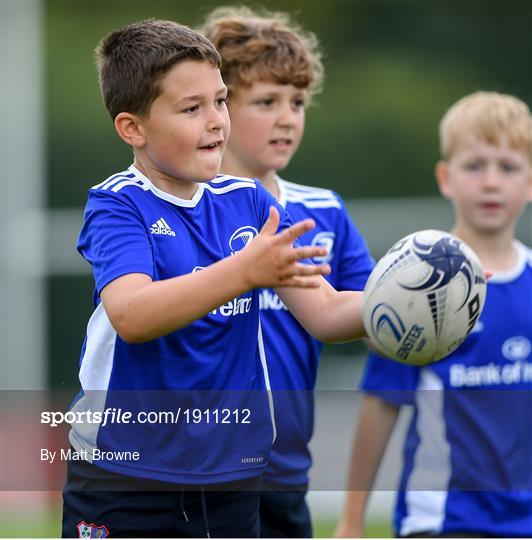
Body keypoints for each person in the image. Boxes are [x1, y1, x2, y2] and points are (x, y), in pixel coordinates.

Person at [61, 19, 368, 539]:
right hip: (125, 475)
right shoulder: (117, 205)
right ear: (132, 127)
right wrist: (242, 272)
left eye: (221, 101)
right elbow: (133, 315)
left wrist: (404, 306)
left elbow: (327, 313)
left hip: (234, 476)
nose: (216, 122)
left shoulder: (249, 202)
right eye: (191, 109)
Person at [199, 6, 374, 537]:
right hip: (202, 473)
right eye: (267, 101)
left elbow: (366, 305)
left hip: (287, 473)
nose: (287, 117)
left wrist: (431, 301)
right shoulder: (182, 209)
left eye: (297, 102)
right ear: (219, 109)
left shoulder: (324, 211)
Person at [335, 91, 532, 538]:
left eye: (508, 167)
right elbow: (381, 406)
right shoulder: (416, 288)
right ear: (446, 178)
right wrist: (350, 522)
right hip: (442, 523)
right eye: (475, 165)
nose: (491, 182)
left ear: (530, 181)